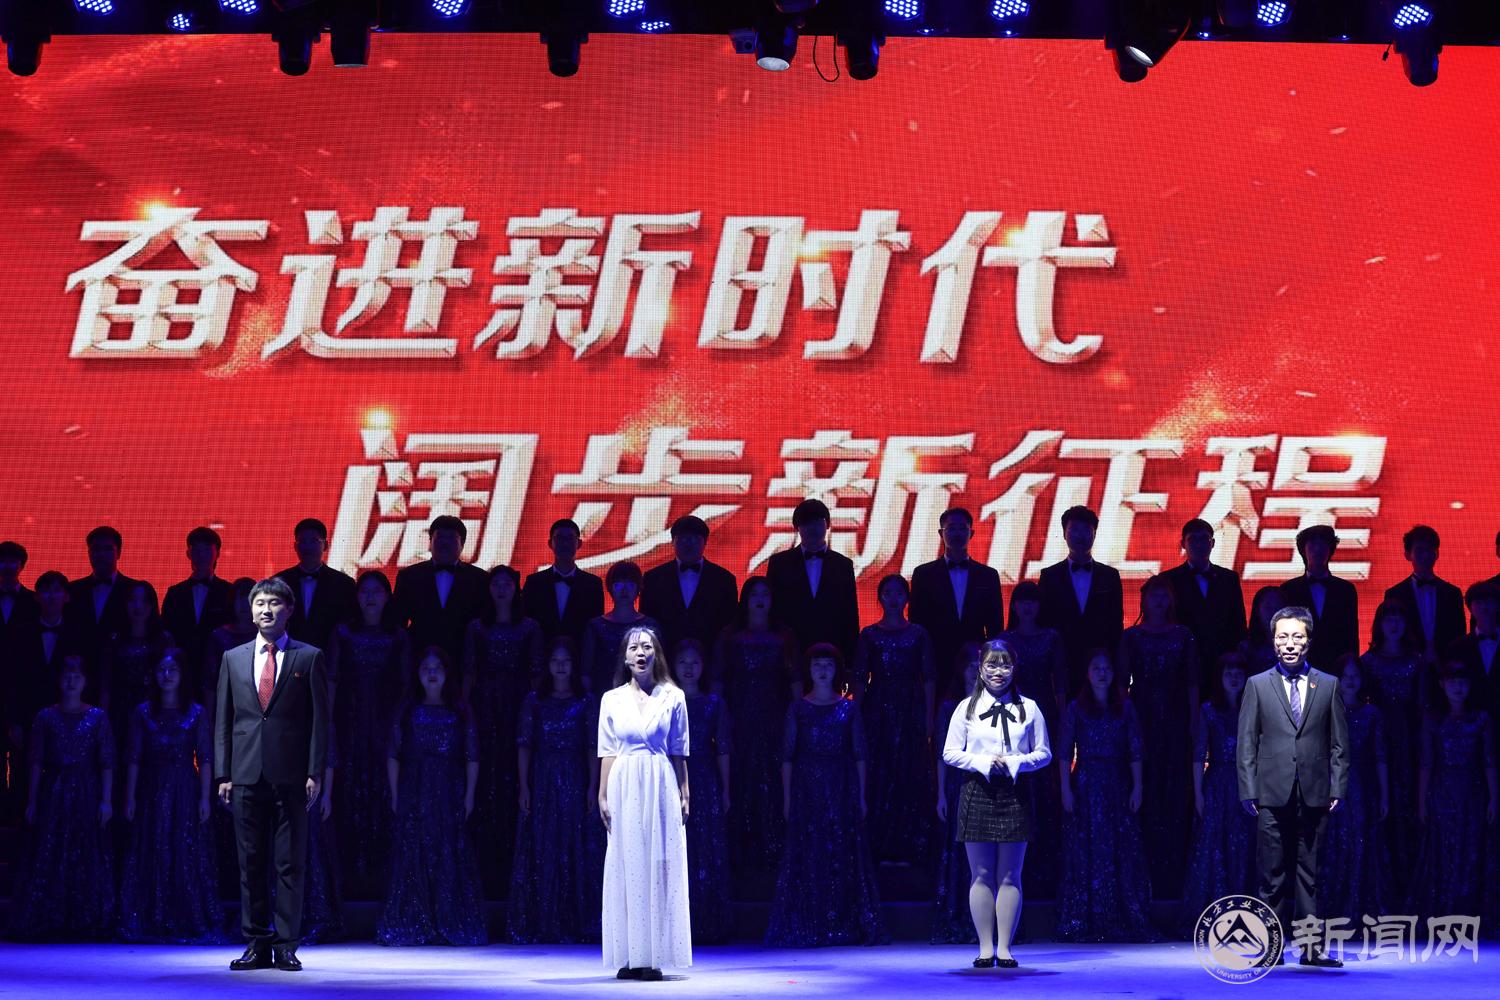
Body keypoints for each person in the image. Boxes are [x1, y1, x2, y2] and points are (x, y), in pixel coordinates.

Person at [214, 577, 328, 972]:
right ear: (251, 611)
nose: (266, 609)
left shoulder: (308, 657)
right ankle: (256, 944)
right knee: (250, 863)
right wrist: (223, 773)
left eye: (274, 603)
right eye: (260, 603)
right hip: (245, 774)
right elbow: (224, 720)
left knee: (289, 863)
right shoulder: (233, 658)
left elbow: (319, 721)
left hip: (291, 775)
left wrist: (315, 771)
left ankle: (286, 945)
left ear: (289, 610)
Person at [1236, 605, 1348, 967]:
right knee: (1271, 874)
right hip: (1271, 792)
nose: (1289, 643)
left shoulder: (1328, 685)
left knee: (1309, 873)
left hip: (1314, 793)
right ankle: (1271, 948)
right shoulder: (1257, 685)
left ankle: (1312, 949)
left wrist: (1337, 787)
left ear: (1308, 641)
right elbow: (1246, 743)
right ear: (1273, 641)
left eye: (1297, 636)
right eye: (1282, 636)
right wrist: (1248, 789)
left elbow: (1339, 744)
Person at [766, 643, 886, 947]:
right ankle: (810, 920)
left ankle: (842, 921)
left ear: (837, 671)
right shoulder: (798, 708)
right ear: (808, 670)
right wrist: (787, 799)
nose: (822, 670)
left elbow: (860, 754)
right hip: (807, 788)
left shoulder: (849, 708)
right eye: (817, 665)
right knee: (809, 850)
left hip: (841, 786)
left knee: (842, 850)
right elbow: (787, 757)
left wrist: (861, 795)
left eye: (828, 665)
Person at [941, 638, 1052, 968]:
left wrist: (1016, 762)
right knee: (981, 873)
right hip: (977, 791)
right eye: (991, 664)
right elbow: (949, 753)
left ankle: (1005, 948)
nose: (998, 671)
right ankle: (984, 947)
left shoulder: (1029, 708)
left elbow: (1044, 753)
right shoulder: (966, 708)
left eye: (1005, 665)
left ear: (1014, 668)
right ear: (980, 669)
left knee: (1010, 874)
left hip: (1014, 793)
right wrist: (984, 762)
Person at [597, 626, 692, 979]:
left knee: (658, 865)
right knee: (626, 865)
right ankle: (629, 955)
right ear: (625, 657)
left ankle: (652, 957)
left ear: (656, 654)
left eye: (647, 647)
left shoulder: (673, 697)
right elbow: (607, 750)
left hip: (659, 780)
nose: (641, 653)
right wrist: (602, 793)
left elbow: (679, 749)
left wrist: (685, 790)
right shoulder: (612, 699)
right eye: (634, 648)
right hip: (624, 783)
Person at [377, 647, 486, 946]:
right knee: (415, 849)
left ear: (447, 673)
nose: (432, 673)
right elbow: (394, 754)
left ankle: (448, 916)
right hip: (415, 787)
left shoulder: (459, 710)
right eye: (426, 667)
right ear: (418, 673)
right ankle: (417, 917)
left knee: (448, 849)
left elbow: (472, 755)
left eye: (438, 667)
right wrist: (395, 793)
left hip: (449, 788)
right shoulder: (408, 709)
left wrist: (469, 795)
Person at [8, 654, 115, 941]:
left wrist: (106, 800)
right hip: (53, 791)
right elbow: (36, 761)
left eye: (77, 675)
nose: (71, 680)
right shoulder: (45, 716)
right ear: (58, 679)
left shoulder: (98, 717)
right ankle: (50, 915)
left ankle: (86, 916)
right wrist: (32, 800)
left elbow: (106, 761)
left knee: (85, 849)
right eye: (67, 675)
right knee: (50, 849)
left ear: (86, 681)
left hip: (87, 790)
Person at [118, 648, 222, 943]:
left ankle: (184, 913)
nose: (166, 675)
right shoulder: (143, 712)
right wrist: (130, 797)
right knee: (152, 844)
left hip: (184, 788)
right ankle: (153, 914)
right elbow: (134, 757)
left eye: (172, 669)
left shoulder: (196, 712)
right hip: (152, 788)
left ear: (182, 674)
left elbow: (205, 757)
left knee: (183, 846)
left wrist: (205, 797)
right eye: (161, 670)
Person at [1055, 650, 1155, 943]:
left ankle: (1118, 913)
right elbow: (1064, 752)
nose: (1102, 673)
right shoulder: (1076, 708)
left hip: (1117, 782)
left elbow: (1135, 750)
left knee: (1119, 845)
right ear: (1087, 673)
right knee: (1086, 845)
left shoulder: (1125, 707)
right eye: (1096, 667)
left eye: (1106, 668)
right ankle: (1085, 916)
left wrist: (1138, 786)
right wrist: (1065, 788)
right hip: (1087, 782)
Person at [507, 636, 602, 944]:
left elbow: (592, 747)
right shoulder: (535, 701)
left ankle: (577, 919)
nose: (561, 666)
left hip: (575, 776)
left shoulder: (586, 701)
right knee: (544, 843)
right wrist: (524, 785)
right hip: (544, 778)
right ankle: (544, 919)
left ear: (574, 665)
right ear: (547, 665)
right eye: (555, 661)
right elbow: (524, 745)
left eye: (566, 660)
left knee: (574, 843)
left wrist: (593, 785)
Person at [327, 570, 409, 900]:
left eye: (377, 591)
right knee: (350, 789)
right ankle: (351, 874)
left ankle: (383, 875)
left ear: (387, 597)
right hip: (350, 722)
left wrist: (399, 725)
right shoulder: (343, 632)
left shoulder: (398, 635)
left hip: (386, 723)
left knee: (385, 790)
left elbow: (406, 684)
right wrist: (328, 721)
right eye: (365, 591)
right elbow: (332, 679)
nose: (371, 597)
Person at [463, 564, 543, 895]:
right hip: (485, 707)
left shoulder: (530, 627)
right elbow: (469, 672)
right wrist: (464, 710)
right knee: (488, 776)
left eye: (506, 583)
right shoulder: (476, 627)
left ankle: (515, 860)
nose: (500, 588)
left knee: (516, 772)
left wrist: (535, 712)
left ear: (515, 588)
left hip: (519, 705)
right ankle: (486, 863)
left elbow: (536, 672)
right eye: (495, 583)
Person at [1118, 574, 1198, 900]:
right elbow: (1122, 686)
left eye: (1164, 595)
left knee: (1175, 790)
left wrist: (1193, 723)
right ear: (1144, 600)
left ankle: (1173, 871)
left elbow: (1193, 683)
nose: (1159, 601)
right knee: (1144, 788)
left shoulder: (1184, 635)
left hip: (1176, 721)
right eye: (1154, 595)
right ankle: (1145, 869)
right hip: (1142, 718)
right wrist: (1123, 726)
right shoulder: (1131, 637)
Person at [712, 576, 800, 873]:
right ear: (745, 600)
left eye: (765, 594)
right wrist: (717, 720)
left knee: (772, 777)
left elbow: (795, 680)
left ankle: (772, 846)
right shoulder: (730, 636)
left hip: (774, 718)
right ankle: (741, 847)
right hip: (739, 717)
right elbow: (718, 680)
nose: (760, 600)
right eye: (754, 594)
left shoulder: (784, 636)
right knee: (741, 776)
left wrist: (799, 718)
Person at [851, 573, 936, 865]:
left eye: (899, 593)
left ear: (907, 598)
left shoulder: (919, 634)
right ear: (880, 598)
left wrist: (928, 715)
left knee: (909, 772)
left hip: (911, 708)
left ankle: (909, 844)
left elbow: (929, 678)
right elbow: (859, 678)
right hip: (878, 710)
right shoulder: (868, 635)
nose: (893, 598)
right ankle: (879, 844)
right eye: (888, 593)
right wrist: (855, 717)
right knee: (880, 771)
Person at [1409, 658, 1497, 926]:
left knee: (1471, 848)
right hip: (1442, 791)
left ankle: (1470, 913)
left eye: (1463, 682)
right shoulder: (1433, 720)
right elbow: (1426, 763)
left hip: (1473, 791)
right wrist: (1422, 802)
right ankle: (1444, 913)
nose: (1458, 687)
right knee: (1444, 849)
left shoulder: (1481, 718)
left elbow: (1489, 760)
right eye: (1452, 682)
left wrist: (1494, 797)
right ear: (1442, 684)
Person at [1178, 651, 1256, 937]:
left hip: (1247, 784)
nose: (1234, 678)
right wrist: (1199, 792)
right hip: (1218, 783)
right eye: (1228, 673)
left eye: (1238, 673)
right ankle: (1216, 915)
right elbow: (1199, 754)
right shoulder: (1209, 710)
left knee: (1244, 847)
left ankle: (1247, 914)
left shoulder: (1254, 709)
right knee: (1215, 846)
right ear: (1220, 678)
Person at [1317, 655, 1394, 929]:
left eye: (1355, 676)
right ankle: (1335, 911)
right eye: (1345, 676)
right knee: (1335, 845)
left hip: (1363, 784)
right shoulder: (1326, 712)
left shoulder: (1372, 714)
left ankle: (1360, 909)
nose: (1350, 681)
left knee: (1362, 843)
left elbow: (1380, 757)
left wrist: (1384, 795)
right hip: (1332, 785)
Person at [1359, 599, 1426, 893]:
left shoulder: (1417, 661)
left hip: (1410, 744)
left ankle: (1409, 879)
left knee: (1409, 805)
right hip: (1376, 744)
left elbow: (1423, 708)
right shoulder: (1367, 662)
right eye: (1389, 618)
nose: (1395, 624)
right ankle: (1381, 880)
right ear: (1379, 624)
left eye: (1399, 618)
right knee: (1379, 806)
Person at [908, 507, 1004, 699]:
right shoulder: (923, 574)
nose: (957, 534)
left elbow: (995, 625)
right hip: (936, 660)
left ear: (971, 533)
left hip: (976, 661)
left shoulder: (988, 575)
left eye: (962, 528)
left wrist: (992, 663)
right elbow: (917, 623)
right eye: (951, 528)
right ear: (941, 533)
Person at [674, 639, 734, 944]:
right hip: (671, 776)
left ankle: (708, 920)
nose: (689, 668)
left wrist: (725, 788)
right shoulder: (665, 701)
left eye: (695, 662)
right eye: (683, 662)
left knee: (705, 845)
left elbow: (723, 748)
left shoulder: (714, 703)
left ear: (703, 667)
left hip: (705, 777)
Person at [1036, 506, 1123, 698]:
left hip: (1100, 665)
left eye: (1086, 530)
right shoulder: (1049, 576)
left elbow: (1116, 624)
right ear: (1064, 534)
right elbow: (1044, 622)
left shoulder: (1110, 576)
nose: (1080, 535)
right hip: (1061, 663)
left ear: (1094, 534)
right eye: (1074, 529)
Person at [765, 498, 859, 665]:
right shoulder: (779, 563)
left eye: (818, 522)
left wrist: (850, 664)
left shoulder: (843, 565)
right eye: (807, 523)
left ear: (827, 524)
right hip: (789, 655)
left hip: (831, 655)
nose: (813, 528)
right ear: (797, 527)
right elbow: (772, 611)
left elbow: (850, 615)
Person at [1158, 518, 1247, 690]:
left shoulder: (1229, 578)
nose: (1199, 544)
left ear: (1212, 543)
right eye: (1193, 539)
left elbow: (1238, 622)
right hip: (1181, 662)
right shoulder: (1169, 579)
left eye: (1204, 538)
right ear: (1183, 544)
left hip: (1222, 663)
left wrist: (1236, 656)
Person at [932, 645, 982, 945]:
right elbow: (941, 754)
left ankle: (986, 922)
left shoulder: (996, 705)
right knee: (958, 849)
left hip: (986, 785)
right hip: (957, 785)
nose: (975, 670)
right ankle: (956, 915)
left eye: (980, 665)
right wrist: (941, 793)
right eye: (970, 665)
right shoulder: (949, 707)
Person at [391, 515, 489, 667]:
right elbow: (398, 624)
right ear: (430, 542)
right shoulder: (409, 576)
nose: (444, 543)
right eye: (440, 537)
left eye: (451, 538)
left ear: (462, 544)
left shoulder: (480, 578)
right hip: (419, 660)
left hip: (464, 662)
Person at [640, 515, 738, 655]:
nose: (689, 544)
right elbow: (647, 624)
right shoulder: (653, 578)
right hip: (664, 659)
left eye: (695, 539)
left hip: (710, 659)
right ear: (672, 542)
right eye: (683, 538)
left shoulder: (724, 580)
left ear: (705, 542)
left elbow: (729, 626)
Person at [161, 527, 235, 694]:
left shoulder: (228, 592)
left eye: (207, 549)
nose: (201, 555)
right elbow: (166, 633)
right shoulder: (175, 593)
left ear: (217, 553)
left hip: (219, 671)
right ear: (188, 553)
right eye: (196, 549)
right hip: (181, 672)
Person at [1278, 525, 1358, 671]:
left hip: (1336, 668)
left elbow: (1351, 635)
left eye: (1323, 544)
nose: (1317, 549)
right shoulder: (1288, 589)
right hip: (1299, 667)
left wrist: (1351, 669)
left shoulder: (1345, 589)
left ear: (1330, 550)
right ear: (1303, 550)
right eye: (1312, 544)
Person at [65, 525, 142, 675]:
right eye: (96, 549)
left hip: (122, 673)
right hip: (79, 674)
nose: (101, 554)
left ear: (119, 553)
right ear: (89, 553)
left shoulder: (134, 590)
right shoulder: (72, 590)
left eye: (107, 549)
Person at [275, 518, 358, 655]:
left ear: (325, 545)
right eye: (302, 541)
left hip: (329, 659)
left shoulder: (344, 584)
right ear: (295, 547)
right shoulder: (279, 583)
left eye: (314, 540)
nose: (307, 547)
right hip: (287, 658)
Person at [1382, 525, 1466, 659]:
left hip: (1445, 666)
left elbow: (1459, 636)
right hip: (1407, 665)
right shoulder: (1394, 594)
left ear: (1437, 554)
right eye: (1420, 550)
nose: (1426, 555)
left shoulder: (1452, 593)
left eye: (1430, 550)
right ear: (1407, 555)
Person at [521, 518, 605, 645]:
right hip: (541, 653)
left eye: (570, 538)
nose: (565, 543)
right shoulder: (534, 583)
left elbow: (595, 630)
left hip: (579, 654)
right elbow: (526, 625)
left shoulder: (593, 584)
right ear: (550, 543)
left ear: (579, 543)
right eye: (559, 538)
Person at [581, 561, 660, 694]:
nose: (624, 590)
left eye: (630, 584)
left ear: (639, 588)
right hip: (604, 696)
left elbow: (659, 670)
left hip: (644, 698)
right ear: (610, 588)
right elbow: (586, 673)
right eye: (618, 585)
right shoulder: (595, 627)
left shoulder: (651, 626)